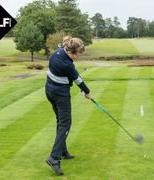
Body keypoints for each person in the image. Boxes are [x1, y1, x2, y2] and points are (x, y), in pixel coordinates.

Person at [45, 37, 91, 176]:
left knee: (60, 121)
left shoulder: (58, 51)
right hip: (60, 94)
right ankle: (54, 158)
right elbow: (78, 80)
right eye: (77, 54)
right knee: (65, 124)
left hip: (49, 91)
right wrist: (87, 92)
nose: (78, 57)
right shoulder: (68, 65)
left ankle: (63, 151)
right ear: (72, 51)